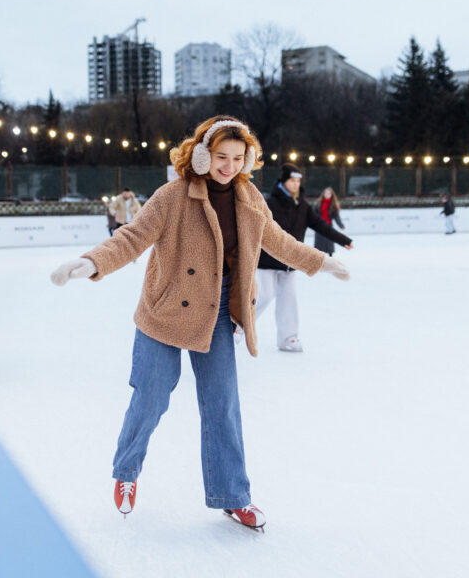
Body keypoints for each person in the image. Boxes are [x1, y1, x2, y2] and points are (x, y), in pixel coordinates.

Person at [49, 116, 350, 531]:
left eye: (237, 158)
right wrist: (92, 262)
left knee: (222, 404)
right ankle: (126, 473)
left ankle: (233, 496)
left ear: (248, 160)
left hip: (219, 310)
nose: (228, 166)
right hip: (165, 309)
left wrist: (322, 261)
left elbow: (277, 240)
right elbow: (132, 237)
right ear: (203, 154)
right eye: (221, 156)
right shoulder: (173, 195)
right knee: (151, 395)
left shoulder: (249, 198)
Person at [253, 164, 353, 352]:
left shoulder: (303, 206)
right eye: (292, 180)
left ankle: (288, 338)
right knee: (264, 296)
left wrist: (343, 240)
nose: (296, 184)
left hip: (291, 262)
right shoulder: (271, 203)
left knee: (289, 299)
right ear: (284, 182)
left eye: (298, 181)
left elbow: (321, 225)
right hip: (267, 260)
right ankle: (238, 328)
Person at [313, 186, 346, 255]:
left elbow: (336, 217)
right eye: (326, 193)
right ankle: (319, 257)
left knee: (329, 242)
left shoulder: (333, 205)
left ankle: (330, 255)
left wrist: (340, 225)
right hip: (319, 225)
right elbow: (313, 215)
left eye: (329, 194)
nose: (327, 195)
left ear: (331, 195)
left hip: (328, 226)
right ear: (323, 194)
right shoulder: (318, 204)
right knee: (319, 244)